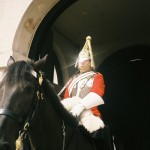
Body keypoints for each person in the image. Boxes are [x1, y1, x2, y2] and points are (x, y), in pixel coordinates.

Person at [61, 36, 105, 133]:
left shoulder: (96, 76)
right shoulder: (72, 80)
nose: (82, 63)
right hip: (71, 114)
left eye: (85, 61)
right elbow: (66, 98)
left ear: (90, 61)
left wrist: (80, 107)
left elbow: (97, 94)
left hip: (90, 114)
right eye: (80, 61)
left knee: (98, 135)